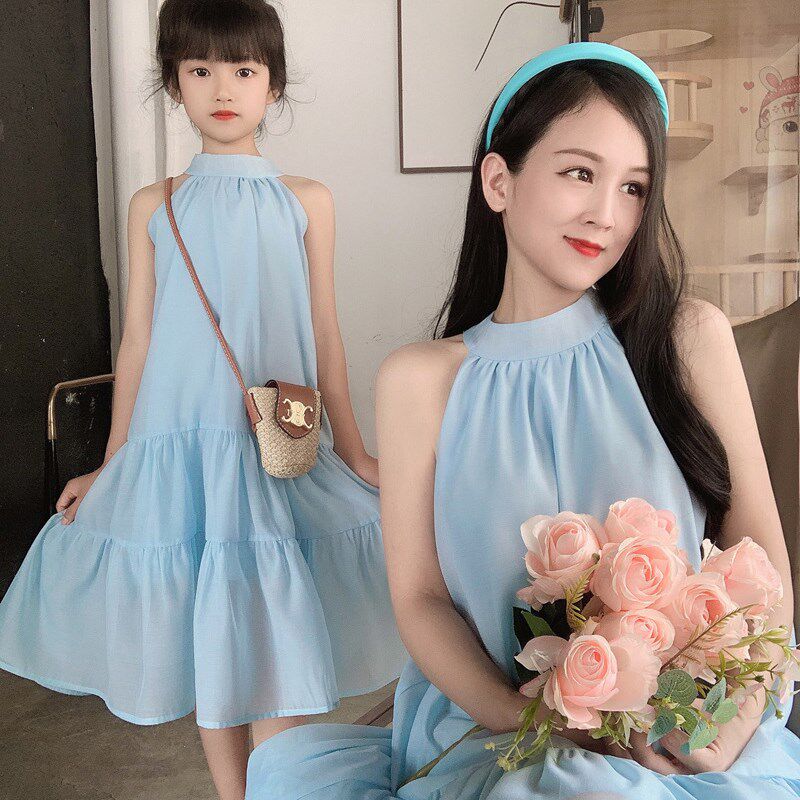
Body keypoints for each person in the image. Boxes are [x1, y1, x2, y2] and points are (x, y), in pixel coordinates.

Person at [243, 41, 800, 799]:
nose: (607, 214)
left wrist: (734, 719)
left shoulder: (687, 337)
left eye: (634, 187)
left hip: (685, 731)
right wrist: (530, 722)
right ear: (498, 181)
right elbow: (420, 600)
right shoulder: (420, 380)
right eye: (580, 173)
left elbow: (758, 550)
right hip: (501, 732)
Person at [0, 1, 405, 798]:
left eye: (244, 70)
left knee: (277, 644)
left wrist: (356, 452)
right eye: (200, 69)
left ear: (273, 84)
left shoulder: (307, 199)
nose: (223, 88)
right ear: (174, 82)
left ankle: (277, 789)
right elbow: (138, 342)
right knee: (212, 647)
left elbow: (325, 332)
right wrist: (111, 465)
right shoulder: (154, 204)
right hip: (182, 449)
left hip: (272, 446)